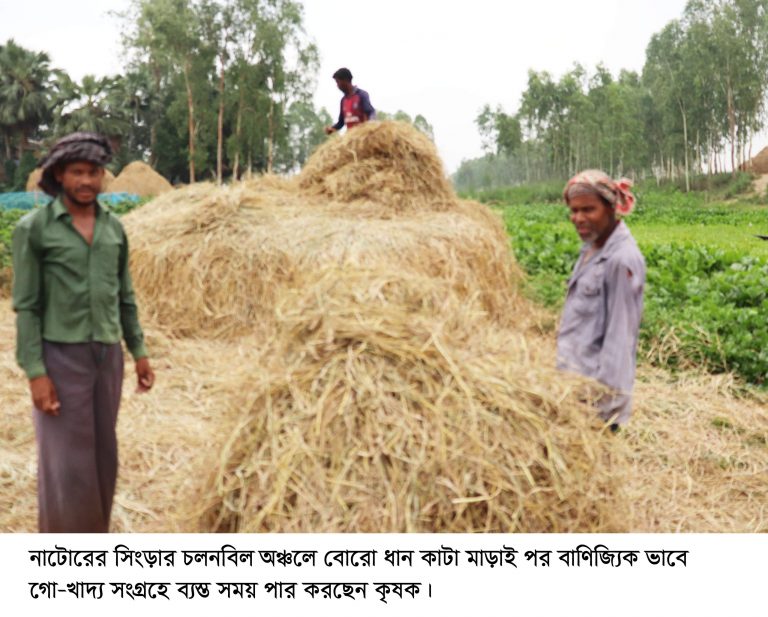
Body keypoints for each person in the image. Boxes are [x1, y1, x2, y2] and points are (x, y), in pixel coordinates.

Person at [12, 132, 155, 532]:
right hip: (60, 357)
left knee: (103, 457)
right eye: (77, 172)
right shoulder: (35, 229)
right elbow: (26, 306)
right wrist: (36, 373)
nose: (87, 181)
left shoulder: (114, 229)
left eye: (94, 172)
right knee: (67, 464)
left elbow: (124, 294)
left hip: (107, 358)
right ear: (59, 174)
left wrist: (139, 351)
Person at [556, 169, 645, 430]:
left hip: (595, 407)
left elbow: (619, 341)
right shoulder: (592, 247)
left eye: (588, 210)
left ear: (611, 208)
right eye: (574, 210)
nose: (578, 218)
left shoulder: (621, 260)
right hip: (573, 392)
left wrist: (602, 415)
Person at [325, 67, 376, 134]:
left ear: (346, 80)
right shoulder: (343, 101)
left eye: (338, 82)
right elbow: (341, 122)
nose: (337, 86)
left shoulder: (361, 95)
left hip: (363, 137)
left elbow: (371, 112)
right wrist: (332, 128)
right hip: (351, 138)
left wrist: (370, 125)